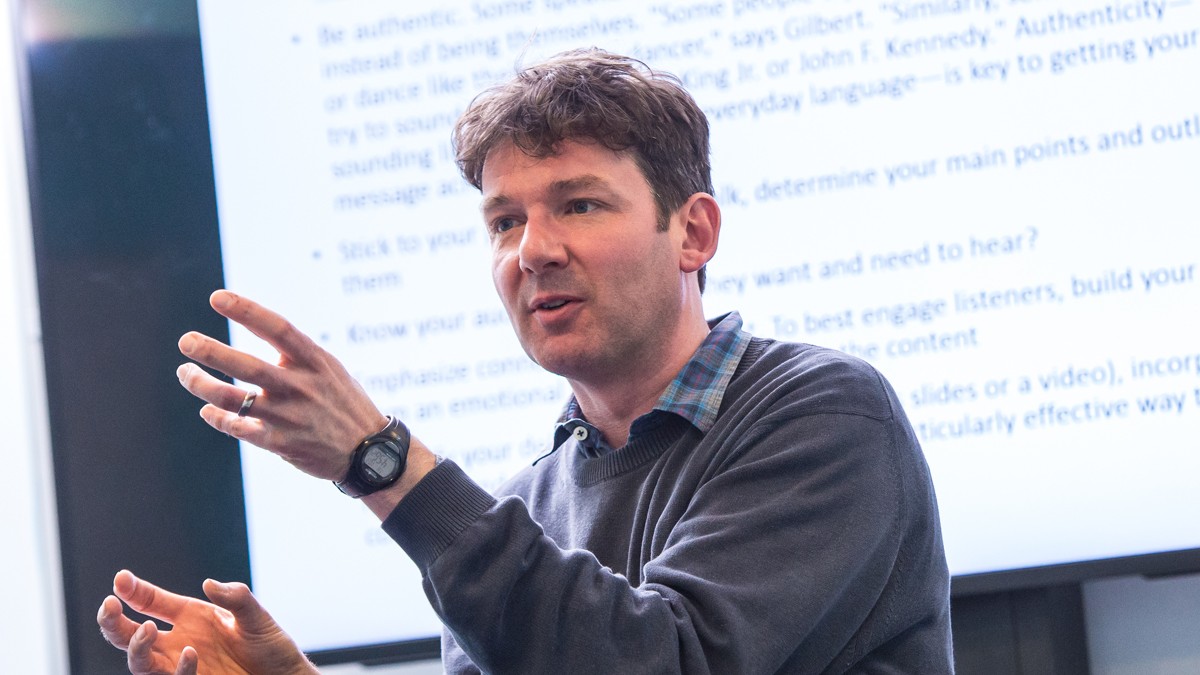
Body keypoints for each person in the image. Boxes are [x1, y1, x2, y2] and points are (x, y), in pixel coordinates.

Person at [98, 48, 953, 674]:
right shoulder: (521, 507)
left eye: (578, 204)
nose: (532, 250)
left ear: (693, 232)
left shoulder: (825, 413)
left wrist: (382, 461)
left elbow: (667, 662)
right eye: (504, 221)